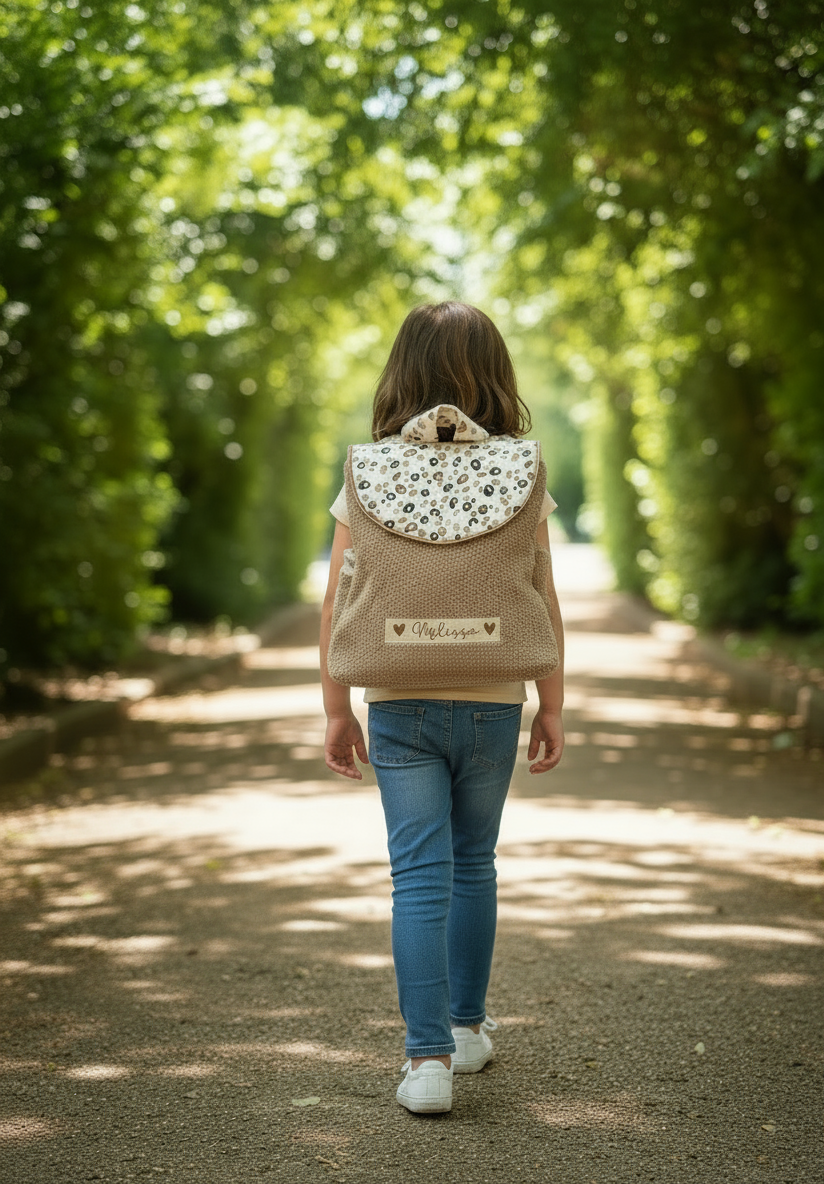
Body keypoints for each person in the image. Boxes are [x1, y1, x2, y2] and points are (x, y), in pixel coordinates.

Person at [319, 301, 565, 1114]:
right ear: (497, 376)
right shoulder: (520, 472)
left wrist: (336, 707)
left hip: (395, 698)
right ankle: (465, 1030)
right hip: (494, 699)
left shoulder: (369, 471)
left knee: (417, 875)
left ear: (401, 374)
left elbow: (337, 600)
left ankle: (424, 1064)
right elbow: (544, 596)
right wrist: (551, 704)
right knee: (474, 863)